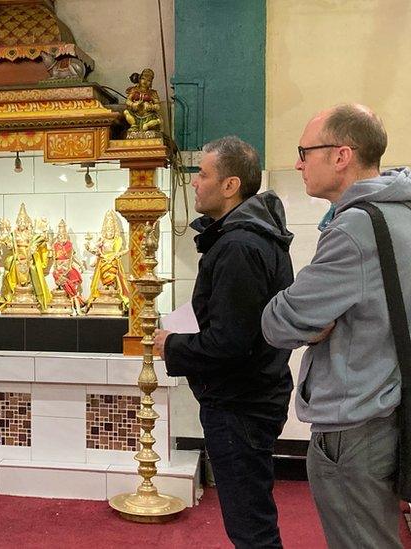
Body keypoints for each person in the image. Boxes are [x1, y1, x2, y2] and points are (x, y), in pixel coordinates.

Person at [261, 104, 410, 548]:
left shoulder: (354, 229)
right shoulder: (400, 211)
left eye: (305, 151)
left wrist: (302, 320)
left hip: (356, 422)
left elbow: (281, 321)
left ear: (342, 155)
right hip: (393, 404)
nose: (298, 163)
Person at [153, 136, 294, 548]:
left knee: (250, 527)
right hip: (252, 396)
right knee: (250, 517)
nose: (194, 182)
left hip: (241, 404)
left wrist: (172, 345)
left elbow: (231, 342)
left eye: (203, 173)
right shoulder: (248, 237)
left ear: (230, 185)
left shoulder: (238, 245)